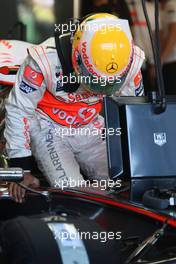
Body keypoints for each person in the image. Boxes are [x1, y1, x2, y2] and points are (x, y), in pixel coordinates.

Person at [4, 13, 145, 202]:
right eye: (94, 79)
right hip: (49, 129)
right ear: (77, 54)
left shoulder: (132, 62)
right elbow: (19, 109)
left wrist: (140, 164)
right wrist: (21, 169)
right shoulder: (44, 60)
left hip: (90, 125)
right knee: (73, 193)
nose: (100, 89)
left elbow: (134, 114)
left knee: (125, 185)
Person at [159, 0, 176, 94]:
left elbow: (174, 33)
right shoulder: (161, 6)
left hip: (172, 60)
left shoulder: (171, 4)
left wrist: (161, 59)